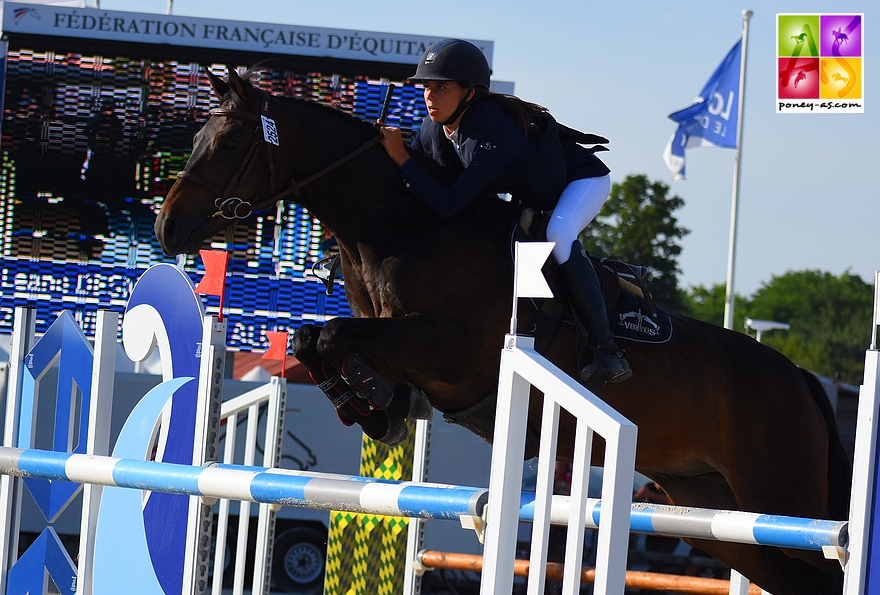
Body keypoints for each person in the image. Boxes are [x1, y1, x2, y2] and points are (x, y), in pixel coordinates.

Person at [378, 39, 631, 388]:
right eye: (427, 88)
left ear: (470, 93)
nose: (430, 97)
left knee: (558, 233)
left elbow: (449, 202)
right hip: (529, 196)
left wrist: (402, 158)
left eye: (441, 88)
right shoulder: (430, 131)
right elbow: (418, 190)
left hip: (581, 181)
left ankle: (606, 349)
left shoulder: (495, 129)